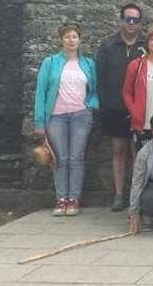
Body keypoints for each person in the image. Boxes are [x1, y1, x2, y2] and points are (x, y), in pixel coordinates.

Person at [34, 23, 98, 216]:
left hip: (81, 115)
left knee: (76, 158)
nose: (71, 40)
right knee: (59, 159)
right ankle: (61, 198)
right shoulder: (50, 62)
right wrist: (39, 123)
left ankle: (74, 199)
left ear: (80, 40)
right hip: (56, 117)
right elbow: (41, 92)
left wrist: (91, 105)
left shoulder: (88, 64)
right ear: (61, 39)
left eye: (75, 36)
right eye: (68, 36)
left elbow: (94, 90)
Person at [96, 3, 146, 211]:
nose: (131, 23)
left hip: (139, 107)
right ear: (121, 20)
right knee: (118, 150)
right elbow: (100, 77)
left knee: (138, 152)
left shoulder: (145, 46)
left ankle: (137, 193)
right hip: (115, 106)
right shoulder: (108, 46)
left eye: (135, 20)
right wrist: (105, 103)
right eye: (128, 19)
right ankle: (118, 194)